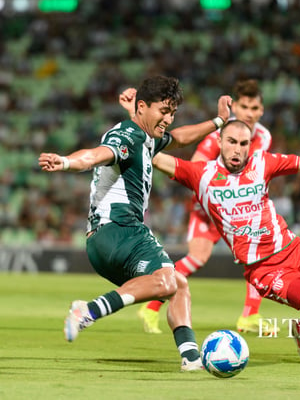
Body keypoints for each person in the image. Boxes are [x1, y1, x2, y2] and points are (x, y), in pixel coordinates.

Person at [151, 119, 300, 363]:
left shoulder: (262, 163)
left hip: (294, 248)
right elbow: (153, 155)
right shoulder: (199, 174)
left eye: (243, 143)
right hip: (265, 270)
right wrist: (138, 119)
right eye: (231, 142)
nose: (237, 149)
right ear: (219, 142)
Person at [38, 75, 231, 371]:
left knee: (178, 284)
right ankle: (87, 310)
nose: (168, 119)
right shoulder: (129, 134)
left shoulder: (147, 138)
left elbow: (180, 138)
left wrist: (218, 121)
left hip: (103, 241)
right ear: (142, 107)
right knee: (168, 280)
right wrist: (65, 162)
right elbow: (95, 155)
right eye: (163, 111)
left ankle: (191, 358)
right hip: (120, 230)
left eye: (172, 113)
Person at [132, 79, 274, 335]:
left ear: (261, 110)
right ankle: (152, 305)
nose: (249, 114)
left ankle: (250, 315)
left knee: (257, 256)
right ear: (234, 108)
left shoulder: (263, 137)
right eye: (244, 107)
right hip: (209, 206)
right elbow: (197, 166)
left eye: (254, 108)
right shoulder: (218, 136)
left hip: (241, 206)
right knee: (198, 257)